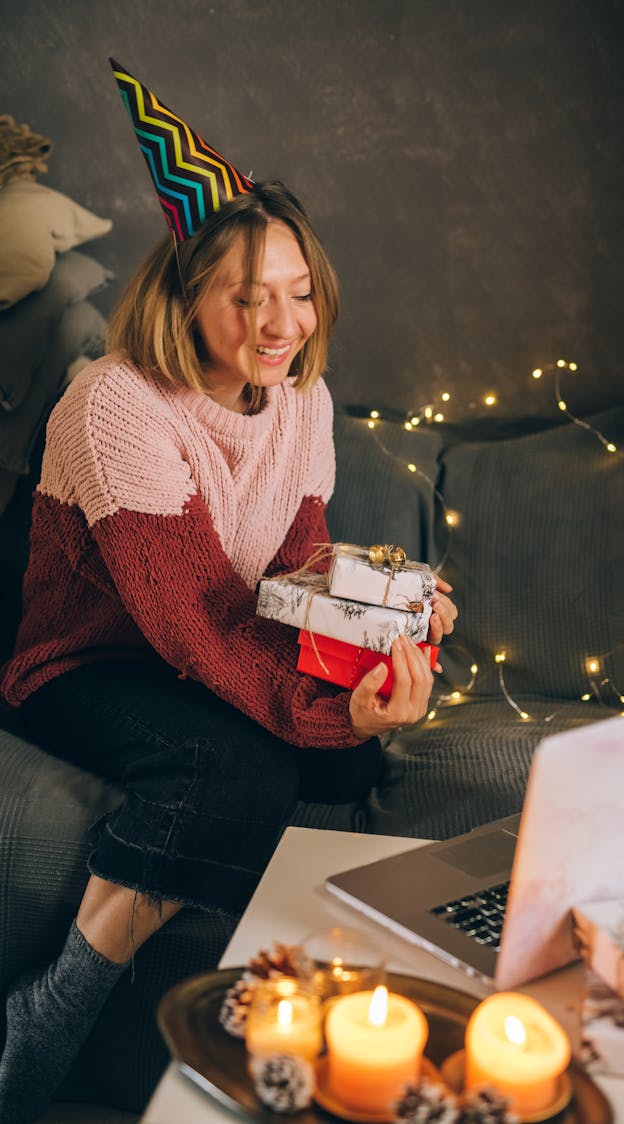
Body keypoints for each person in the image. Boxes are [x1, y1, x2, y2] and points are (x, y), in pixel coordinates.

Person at [0, 62, 457, 1123]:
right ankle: (53, 1019)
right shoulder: (115, 405)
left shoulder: (302, 396)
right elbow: (197, 621)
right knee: (241, 763)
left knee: (351, 757)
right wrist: (327, 701)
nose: (280, 322)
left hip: (204, 633)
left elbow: (294, 565)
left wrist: (385, 620)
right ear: (186, 292)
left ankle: (273, 992)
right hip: (85, 660)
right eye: (247, 296)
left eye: (297, 292)